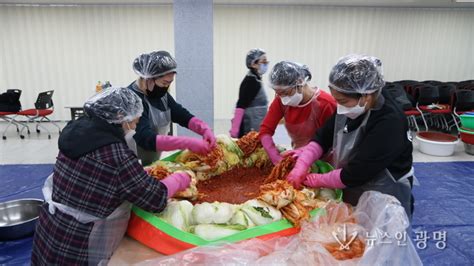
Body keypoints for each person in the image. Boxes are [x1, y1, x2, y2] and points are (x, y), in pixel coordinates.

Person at [31, 88, 191, 265]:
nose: (136, 127)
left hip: (50, 231)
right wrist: (179, 179)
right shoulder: (116, 155)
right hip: (76, 245)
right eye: (136, 122)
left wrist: (136, 176)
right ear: (122, 118)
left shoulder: (78, 129)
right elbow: (156, 199)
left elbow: (98, 176)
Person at [286, 54, 415, 219]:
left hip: (385, 192)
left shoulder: (390, 122)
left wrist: (314, 180)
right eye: (337, 100)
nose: (339, 107)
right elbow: (324, 135)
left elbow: (356, 172)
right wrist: (303, 163)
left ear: (366, 96)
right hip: (354, 183)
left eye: (343, 101)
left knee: (379, 237)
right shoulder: (352, 106)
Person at [129, 50, 216, 165]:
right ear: (148, 79)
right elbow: (146, 138)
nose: (166, 87)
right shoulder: (132, 100)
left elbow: (180, 114)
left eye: (169, 83)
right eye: (164, 83)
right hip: (134, 162)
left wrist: (203, 128)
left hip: (152, 159)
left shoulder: (161, 95)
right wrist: (187, 143)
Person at [259, 61, 336, 165]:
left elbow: (332, 141)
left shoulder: (326, 104)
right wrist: (275, 156)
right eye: (278, 94)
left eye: (286, 93)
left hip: (323, 162)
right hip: (296, 159)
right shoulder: (280, 101)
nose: (283, 99)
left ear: (299, 82)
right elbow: (265, 130)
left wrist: (304, 153)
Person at [229, 48, 269, 138]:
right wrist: (235, 130)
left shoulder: (256, 79)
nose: (266, 64)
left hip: (257, 126)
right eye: (264, 61)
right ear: (253, 64)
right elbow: (241, 105)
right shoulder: (251, 81)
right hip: (250, 128)